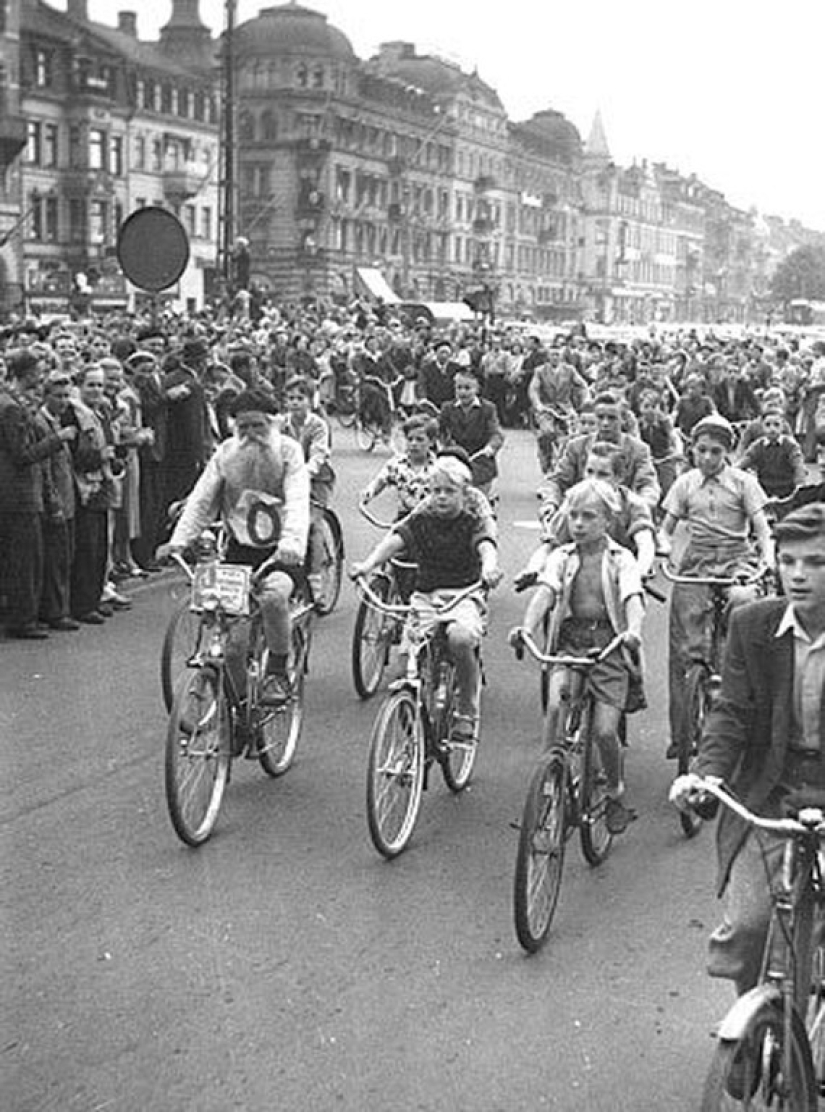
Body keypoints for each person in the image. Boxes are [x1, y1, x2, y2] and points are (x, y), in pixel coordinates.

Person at [670, 504, 825, 997]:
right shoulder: (751, 623)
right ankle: (752, 1038)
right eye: (788, 561)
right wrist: (707, 774)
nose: (797, 575)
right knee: (749, 928)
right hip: (769, 791)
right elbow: (730, 712)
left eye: (815, 563)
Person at [511, 479, 646, 834]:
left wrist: (632, 630)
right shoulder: (561, 557)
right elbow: (546, 592)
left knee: (604, 731)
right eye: (574, 516)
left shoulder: (621, 559)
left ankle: (614, 788)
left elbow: (633, 596)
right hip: (570, 641)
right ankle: (547, 780)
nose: (579, 524)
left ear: (607, 521)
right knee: (556, 706)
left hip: (609, 644)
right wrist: (527, 627)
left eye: (589, 516)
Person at [160, 389, 309, 707]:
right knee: (232, 648)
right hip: (238, 551)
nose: (252, 435)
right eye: (244, 428)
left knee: (273, 598)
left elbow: (298, 500)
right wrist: (179, 540)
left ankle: (278, 672)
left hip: (281, 553)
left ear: (273, 424)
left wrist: (292, 543)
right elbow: (202, 498)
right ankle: (238, 711)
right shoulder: (226, 453)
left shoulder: (289, 452)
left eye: (259, 427)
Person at [351, 453, 500, 747]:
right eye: (435, 491)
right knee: (407, 659)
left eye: (448, 492)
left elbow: (486, 547)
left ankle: (467, 710)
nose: (441, 498)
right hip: (425, 597)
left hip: (463, 596)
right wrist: (367, 565)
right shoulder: (422, 520)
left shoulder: (472, 522)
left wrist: (489, 569)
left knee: (459, 639)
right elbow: (396, 541)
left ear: (464, 494)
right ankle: (414, 709)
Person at [658, 414, 775, 761]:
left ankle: (737, 683)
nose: (707, 458)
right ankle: (682, 733)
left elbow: (762, 529)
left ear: (727, 452)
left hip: (735, 558)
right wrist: (663, 544)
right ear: (692, 449)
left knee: (743, 602)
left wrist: (766, 558)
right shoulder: (685, 484)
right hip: (697, 560)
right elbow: (666, 527)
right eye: (701, 450)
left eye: (715, 451)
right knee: (683, 645)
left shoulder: (742, 483)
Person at [0, 349, 76, 638]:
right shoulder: (11, 407)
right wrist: (58, 439)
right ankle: (23, 620)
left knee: (26, 558)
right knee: (25, 560)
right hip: (18, 495)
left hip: (18, 493)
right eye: (38, 371)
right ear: (27, 373)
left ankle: (27, 616)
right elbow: (22, 454)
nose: (41, 376)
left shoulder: (13, 403)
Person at [538, 391, 660, 519]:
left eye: (612, 418)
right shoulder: (576, 447)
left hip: (621, 517)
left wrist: (643, 505)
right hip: (581, 516)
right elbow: (558, 480)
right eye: (601, 417)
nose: (605, 423)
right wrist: (551, 502)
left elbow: (647, 483)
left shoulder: (638, 450)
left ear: (623, 419)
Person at [279, 375, 335, 598]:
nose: (294, 403)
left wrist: (303, 475)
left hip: (316, 479)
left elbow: (318, 455)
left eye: (300, 398)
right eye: (290, 398)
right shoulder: (282, 424)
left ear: (310, 400)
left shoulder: (318, 425)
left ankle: (315, 577)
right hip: (286, 478)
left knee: (313, 525)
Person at [438, 367, 504, 499]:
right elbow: (439, 430)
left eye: (468, 388)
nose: (463, 392)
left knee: (477, 500)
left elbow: (496, 433)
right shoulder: (447, 408)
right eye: (459, 387)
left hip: (480, 458)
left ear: (477, 389)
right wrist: (444, 445)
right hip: (456, 458)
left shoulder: (488, 408)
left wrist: (491, 447)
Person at [738, 406, 807, 499]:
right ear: (762, 426)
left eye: (776, 424)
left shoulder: (791, 445)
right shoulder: (758, 445)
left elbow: (798, 466)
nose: (772, 429)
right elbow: (745, 461)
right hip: (763, 491)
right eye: (768, 425)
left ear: (783, 426)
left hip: (787, 491)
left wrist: (800, 485)